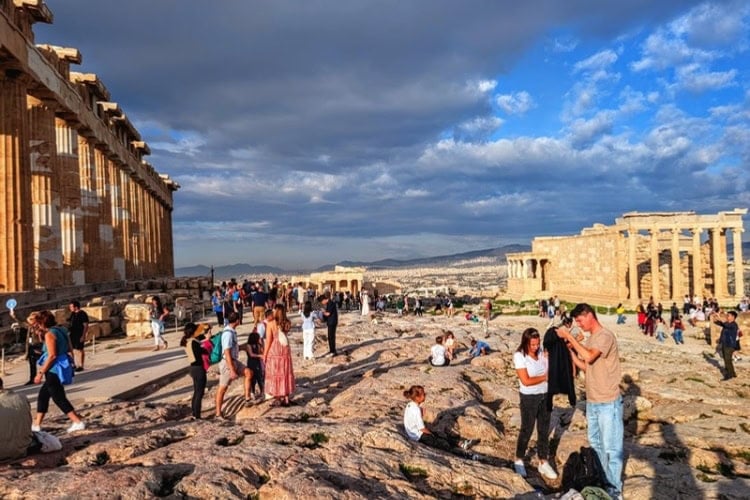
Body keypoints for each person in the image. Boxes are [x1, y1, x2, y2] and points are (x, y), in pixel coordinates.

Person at [556, 303, 623, 499]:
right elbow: (585, 366)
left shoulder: (604, 336)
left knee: (612, 449)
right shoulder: (593, 338)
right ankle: (602, 483)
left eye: (580, 320)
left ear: (590, 315)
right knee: (596, 447)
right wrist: (570, 350)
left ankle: (615, 491)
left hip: (608, 402)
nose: (579, 324)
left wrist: (569, 336)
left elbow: (589, 356)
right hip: (593, 402)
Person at [513, 328, 557, 480]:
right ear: (525, 342)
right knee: (527, 429)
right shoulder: (519, 356)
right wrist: (545, 377)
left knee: (544, 430)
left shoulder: (541, 353)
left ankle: (543, 461)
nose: (535, 347)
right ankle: (518, 459)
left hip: (545, 395)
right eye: (532, 344)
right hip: (529, 398)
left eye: (537, 344)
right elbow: (525, 380)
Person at [32, 310, 86, 433]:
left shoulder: (50, 334)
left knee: (58, 397)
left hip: (54, 368)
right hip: (63, 363)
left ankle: (77, 421)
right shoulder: (61, 330)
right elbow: (69, 348)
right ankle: (37, 424)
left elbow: (52, 356)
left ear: (42, 323)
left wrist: (40, 373)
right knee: (43, 396)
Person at [402, 385, 476, 455]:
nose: (425, 395)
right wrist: (431, 434)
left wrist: (421, 416)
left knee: (439, 434)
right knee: (442, 443)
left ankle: (461, 444)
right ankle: (464, 454)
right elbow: (422, 429)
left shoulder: (410, 404)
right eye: (423, 394)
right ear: (418, 397)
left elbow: (413, 420)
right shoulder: (416, 409)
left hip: (412, 433)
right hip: (418, 436)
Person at [215, 312, 253, 418]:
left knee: (248, 372)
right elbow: (226, 352)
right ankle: (218, 413)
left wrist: (242, 347)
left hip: (234, 360)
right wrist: (231, 369)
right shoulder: (228, 333)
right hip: (228, 362)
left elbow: (232, 348)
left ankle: (247, 398)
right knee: (223, 388)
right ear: (237, 320)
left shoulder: (232, 332)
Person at [263, 305, 296, 406]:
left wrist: (265, 354)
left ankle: (277, 397)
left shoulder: (271, 323)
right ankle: (286, 397)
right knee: (285, 372)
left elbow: (269, 340)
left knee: (275, 372)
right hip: (285, 349)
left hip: (275, 349)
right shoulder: (287, 322)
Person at [179, 322, 211, 419]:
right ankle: (197, 415)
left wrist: (205, 328)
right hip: (198, 368)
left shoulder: (187, 340)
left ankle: (194, 412)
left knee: (196, 391)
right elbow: (202, 351)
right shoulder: (193, 342)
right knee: (199, 392)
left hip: (193, 368)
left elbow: (201, 334)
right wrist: (207, 342)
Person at [9, 309, 43, 385]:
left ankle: (48, 376)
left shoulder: (40, 327)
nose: (29, 321)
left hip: (39, 347)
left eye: (31, 319)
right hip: (31, 347)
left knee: (44, 362)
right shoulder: (30, 327)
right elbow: (21, 323)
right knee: (32, 364)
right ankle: (32, 378)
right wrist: (14, 316)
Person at [713, 310, 739, 381]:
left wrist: (719, 317)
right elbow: (717, 322)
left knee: (727, 360)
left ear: (733, 317)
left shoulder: (733, 324)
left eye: (728, 315)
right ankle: (733, 373)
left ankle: (729, 375)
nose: (727, 317)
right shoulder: (727, 323)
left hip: (729, 345)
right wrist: (715, 316)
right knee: (726, 359)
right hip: (725, 344)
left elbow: (725, 324)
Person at [68, 301, 89, 372]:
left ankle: (81, 365)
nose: (70, 308)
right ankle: (73, 364)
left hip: (79, 334)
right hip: (72, 334)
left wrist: (83, 335)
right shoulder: (73, 314)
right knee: (71, 349)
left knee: (79, 349)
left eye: (71, 307)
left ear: (76, 307)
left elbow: (85, 325)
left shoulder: (82, 314)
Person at [246, 331, 264, 399]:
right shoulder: (248, 346)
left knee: (259, 377)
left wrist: (261, 345)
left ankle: (262, 391)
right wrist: (260, 355)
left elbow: (261, 351)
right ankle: (252, 392)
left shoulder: (258, 345)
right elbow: (251, 354)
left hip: (257, 362)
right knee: (252, 378)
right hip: (251, 363)